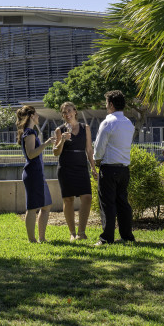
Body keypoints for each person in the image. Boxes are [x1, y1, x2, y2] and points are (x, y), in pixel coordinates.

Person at [93, 90, 136, 246]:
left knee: (107, 204)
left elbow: (99, 148)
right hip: (124, 169)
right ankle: (127, 236)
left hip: (109, 168)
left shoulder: (108, 122)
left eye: (106, 103)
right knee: (123, 203)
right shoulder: (129, 123)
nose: (106, 106)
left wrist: (96, 161)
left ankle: (106, 238)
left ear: (111, 104)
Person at [53, 102, 97, 241]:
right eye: (64, 112)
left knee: (87, 197)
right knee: (68, 199)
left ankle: (81, 232)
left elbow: (89, 149)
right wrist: (63, 140)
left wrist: (93, 167)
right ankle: (72, 233)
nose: (67, 114)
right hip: (65, 167)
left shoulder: (85, 128)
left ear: (75, 111)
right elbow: (56, 152)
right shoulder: (59, 130)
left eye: (69, 111)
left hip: (81, 166)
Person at [16, 106, 55, 243]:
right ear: (31, 116)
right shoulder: (30, 132)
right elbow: (31, 154)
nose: (38, 116)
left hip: (37, 173)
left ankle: (41, 238)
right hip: (33, 174)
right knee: (32, 207)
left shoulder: (29, 132)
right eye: (36, 114)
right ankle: (32, 240)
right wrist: (46, 144)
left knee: (46, 205)